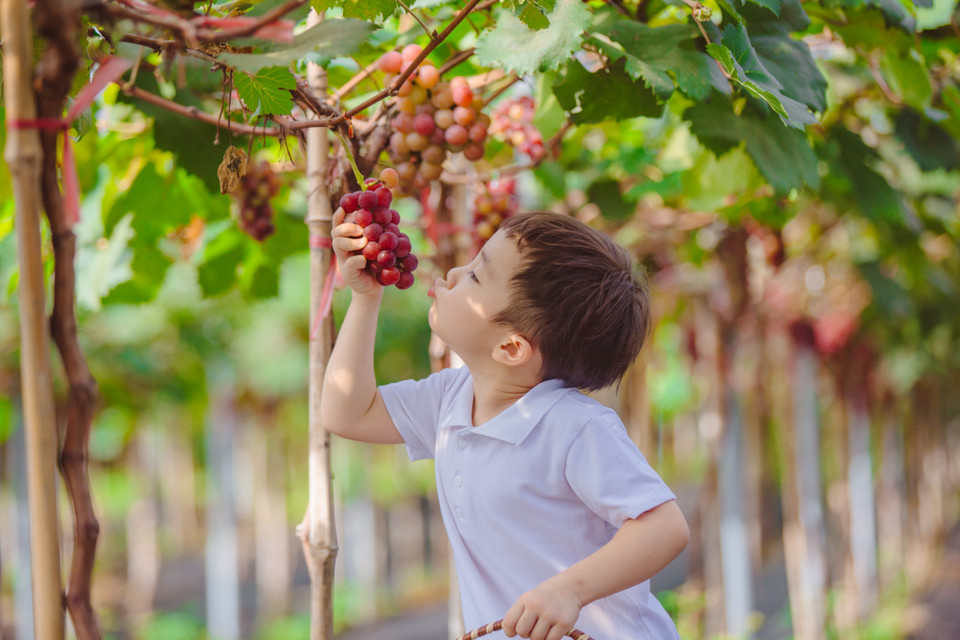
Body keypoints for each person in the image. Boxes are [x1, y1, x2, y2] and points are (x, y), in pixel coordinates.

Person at [323, 209, 689, 640]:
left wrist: (569, 590)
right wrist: (366, 299)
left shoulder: (573, 426)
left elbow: (664, 527)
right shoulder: (450, 399)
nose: (455, 273)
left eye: (476, 275)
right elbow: (348, 413)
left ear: (512, 348)